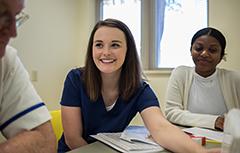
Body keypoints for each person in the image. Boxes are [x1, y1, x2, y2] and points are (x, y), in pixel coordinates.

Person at [58, 19, 220, 153]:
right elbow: (73, 139)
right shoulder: (75, 79)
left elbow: (161, 128)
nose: (105, 52)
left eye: (115, 45)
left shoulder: (140, 89)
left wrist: (200, 152)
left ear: (128, 50)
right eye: (99, 45)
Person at [0, 0, 56, 152]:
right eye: (2, 15)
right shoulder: (76, 78)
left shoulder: (6, 62)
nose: (13, 32)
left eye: (16, 17)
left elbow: (45, 140)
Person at [165, 27, 240, 131]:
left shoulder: (234, 79)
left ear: (221, 55)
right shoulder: (180, 74)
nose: (204, 54)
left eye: (212, 50)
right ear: (191, 50)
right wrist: (215, 121)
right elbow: (171, 112)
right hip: (188, 140)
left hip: (225, 141)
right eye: (199, 48)